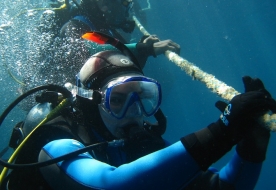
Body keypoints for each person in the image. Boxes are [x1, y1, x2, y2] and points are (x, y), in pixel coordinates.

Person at [3, 44, 276, 189]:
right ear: (90, 104)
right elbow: (112, 185)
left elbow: (221, 187)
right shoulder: (57, 143)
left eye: (142, 97)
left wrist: (252, 144)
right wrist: (223, 131)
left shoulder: (137, 145)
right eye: (118, 100)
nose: (133, 112)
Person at [21, 0, 179, 110]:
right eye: (124, 2)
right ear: (104, 4)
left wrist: (142, 50)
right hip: (61, 107)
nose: (128, 9)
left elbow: (124, 67)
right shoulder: (77, 25)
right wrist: (142, 48)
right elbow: (85, 50)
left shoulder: (109, 32)